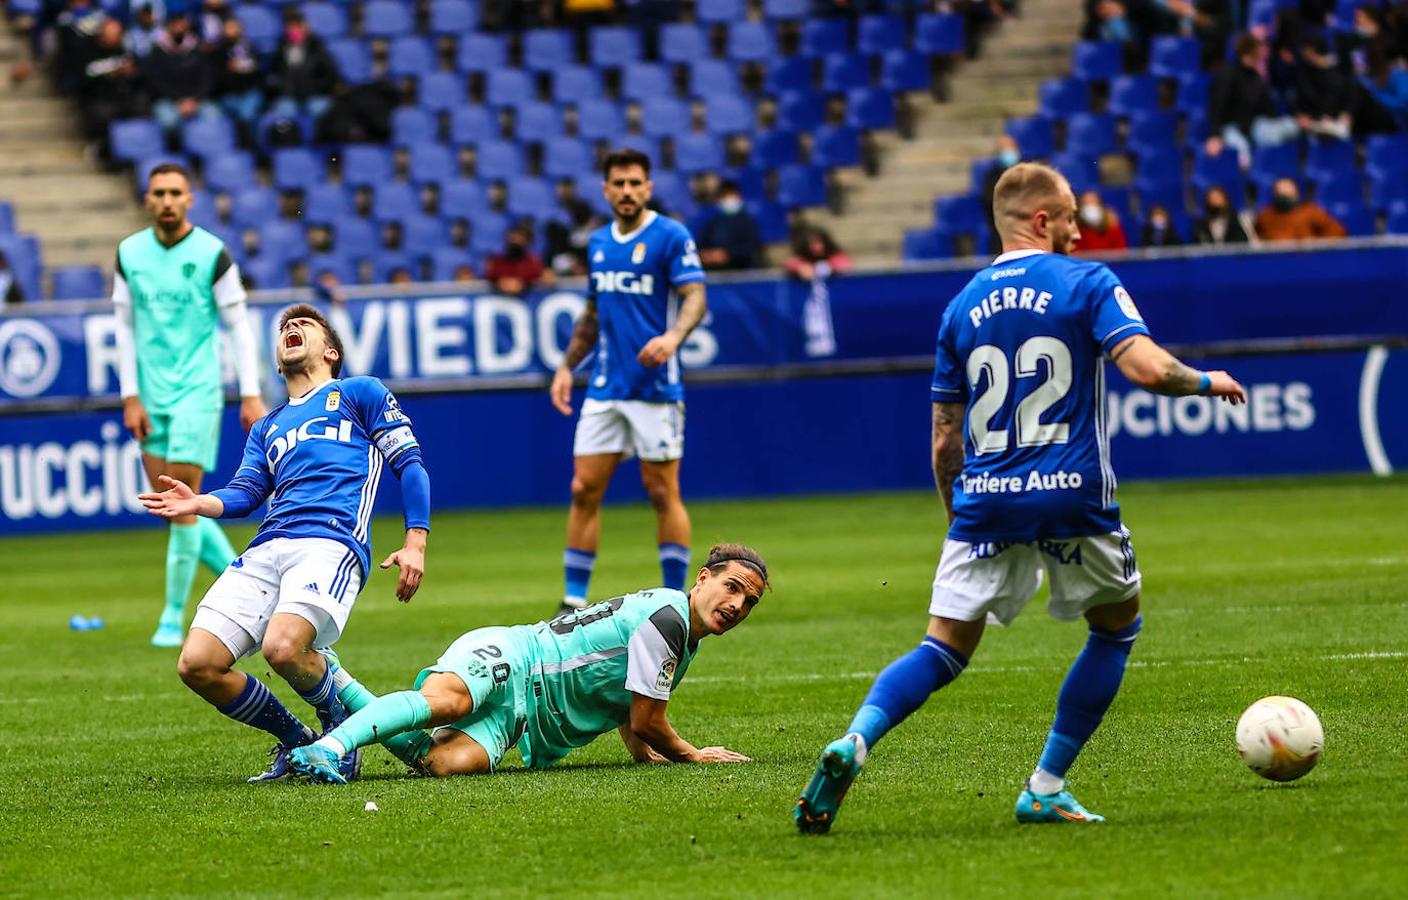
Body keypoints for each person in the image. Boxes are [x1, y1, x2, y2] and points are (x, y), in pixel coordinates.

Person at [795, 161, 1247, 834]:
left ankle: (855, 740)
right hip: (1071, 494)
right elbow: (1148, 369)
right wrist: (1208, 381)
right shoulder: (1087, 281)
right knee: (1116, 629)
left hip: (986, 499)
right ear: (1041, 220)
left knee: (942, 648)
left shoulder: (960, 306)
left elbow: (945, 438)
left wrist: (960, 520)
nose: (1076, 229)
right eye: (1068, 218)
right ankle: (1045, 785)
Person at [139, 303, 432, 783]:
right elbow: (247, 492)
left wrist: (415, 541)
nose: (291, 328)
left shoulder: (360, 393)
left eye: (304, 325)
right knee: (197, 664)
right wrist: (200, 502)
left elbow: (411, 464)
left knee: (282, 648)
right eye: (283, 328)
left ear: (331, 351)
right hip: (265, 548)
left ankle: (341, 731)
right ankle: (299, 741)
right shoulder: (266, 426)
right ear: (277, 361)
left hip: (330, 541)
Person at [288, 543, 767, 782]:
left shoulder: (681, 633)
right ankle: (330, 748)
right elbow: (647, 717)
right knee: (447, 703)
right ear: (703, 578)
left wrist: (642, 751)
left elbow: (630, 697)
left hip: (523, 712)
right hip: (518, 656)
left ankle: (338, 684)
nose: (737, 606)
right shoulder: (670, 619)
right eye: (732, 588)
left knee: (443, 762)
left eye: (749, 603)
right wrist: (691, 753)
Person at [112, 163, 266, 647]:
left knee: (180, 505)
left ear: (190, 199)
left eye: (175, 192)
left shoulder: (211, 253)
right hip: (150, 397)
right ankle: (249, 581)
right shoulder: (129, 253)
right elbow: (124, 328)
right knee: (172, 505)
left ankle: (172, 617)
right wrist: (130, 394)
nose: (167, 200)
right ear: (147, 199)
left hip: (197, 392)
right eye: (158, 192)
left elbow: (239, 324)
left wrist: (250, 391)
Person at [549, 148, 707, 613]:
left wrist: (674, 337)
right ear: (606, 190)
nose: (627, 191)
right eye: (618, 184)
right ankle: (573, 599)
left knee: (661, 491)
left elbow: (695, 294)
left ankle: (676, 597)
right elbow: (594, 313)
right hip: (605, 386)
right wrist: (565, 366)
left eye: (635, 183)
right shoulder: (599, 243)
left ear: (648, 188)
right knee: (583, 489)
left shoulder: (670, 236)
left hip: (655, 388)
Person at [1205, 33, 1299, 168]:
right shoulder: (1227, 75)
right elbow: (1217, 106)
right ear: (1250, 51)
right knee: (1242, 148)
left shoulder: (1257, 78)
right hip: (1230, 128)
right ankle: (1248, 182)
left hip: (1254, 125)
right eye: (1261, 47)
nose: (1264, 51)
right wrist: (1214, 135)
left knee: (1291, 126)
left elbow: (1268, 110)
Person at [143, 13, 219, 140]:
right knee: (169, 121)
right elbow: (157, 82)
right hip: (170, 100)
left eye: (182, 23)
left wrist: (194, 99)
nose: (179, 27)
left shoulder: (198, 49)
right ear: (168, 27)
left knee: (214, 116)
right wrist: (179, 100)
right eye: (175, 24)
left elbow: (207, 78)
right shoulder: (157, 52)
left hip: (197, 99)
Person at [268, 9, 339, 122]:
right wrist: (282, 89)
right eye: (291, 27)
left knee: (321, 109)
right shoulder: (280, 50)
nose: (294, 30)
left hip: (314, 95)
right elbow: (273, 74)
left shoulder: (317, 48)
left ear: (305, 27)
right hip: (288, 97)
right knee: (283, 113)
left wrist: (317, 88)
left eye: (298, 26)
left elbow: (331, 73)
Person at [1255, 177, 1348, 242]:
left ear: (1296, 194)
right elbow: (1256, 240)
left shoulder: (1310, 211)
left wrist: (1317, 244)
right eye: (1280, 194)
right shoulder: (1266, 216)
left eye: (1287, 194)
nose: (1284, 197)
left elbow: (1337, 231)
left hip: (1306, 261)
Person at [696, 180, 762, 270]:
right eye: (724, 196)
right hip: (715, 270)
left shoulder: (747, 221)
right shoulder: (714, 221)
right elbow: (702, 243)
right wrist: (706, 254)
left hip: (741, 270)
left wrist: (727, 254)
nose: (728, 198)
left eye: (731, 194)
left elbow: (750, 247)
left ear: (739, 196)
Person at [485, 222, 554, 295]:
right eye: (513, 239)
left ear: (527, 242)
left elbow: (544, 277)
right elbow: (491, 277)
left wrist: (524, 283)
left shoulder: (534, 262)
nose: (515, 243)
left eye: (520, 239)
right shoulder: (497, 261)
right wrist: (500, 283)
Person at [785, 225, 853, 281]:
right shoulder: (804, 258)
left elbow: (844, 265)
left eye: (817, 243)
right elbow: (790, 263)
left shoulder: (835, 255)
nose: (815, 247)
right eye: (811, 244)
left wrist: (825, 269)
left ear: (825, 242)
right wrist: (800, 267)